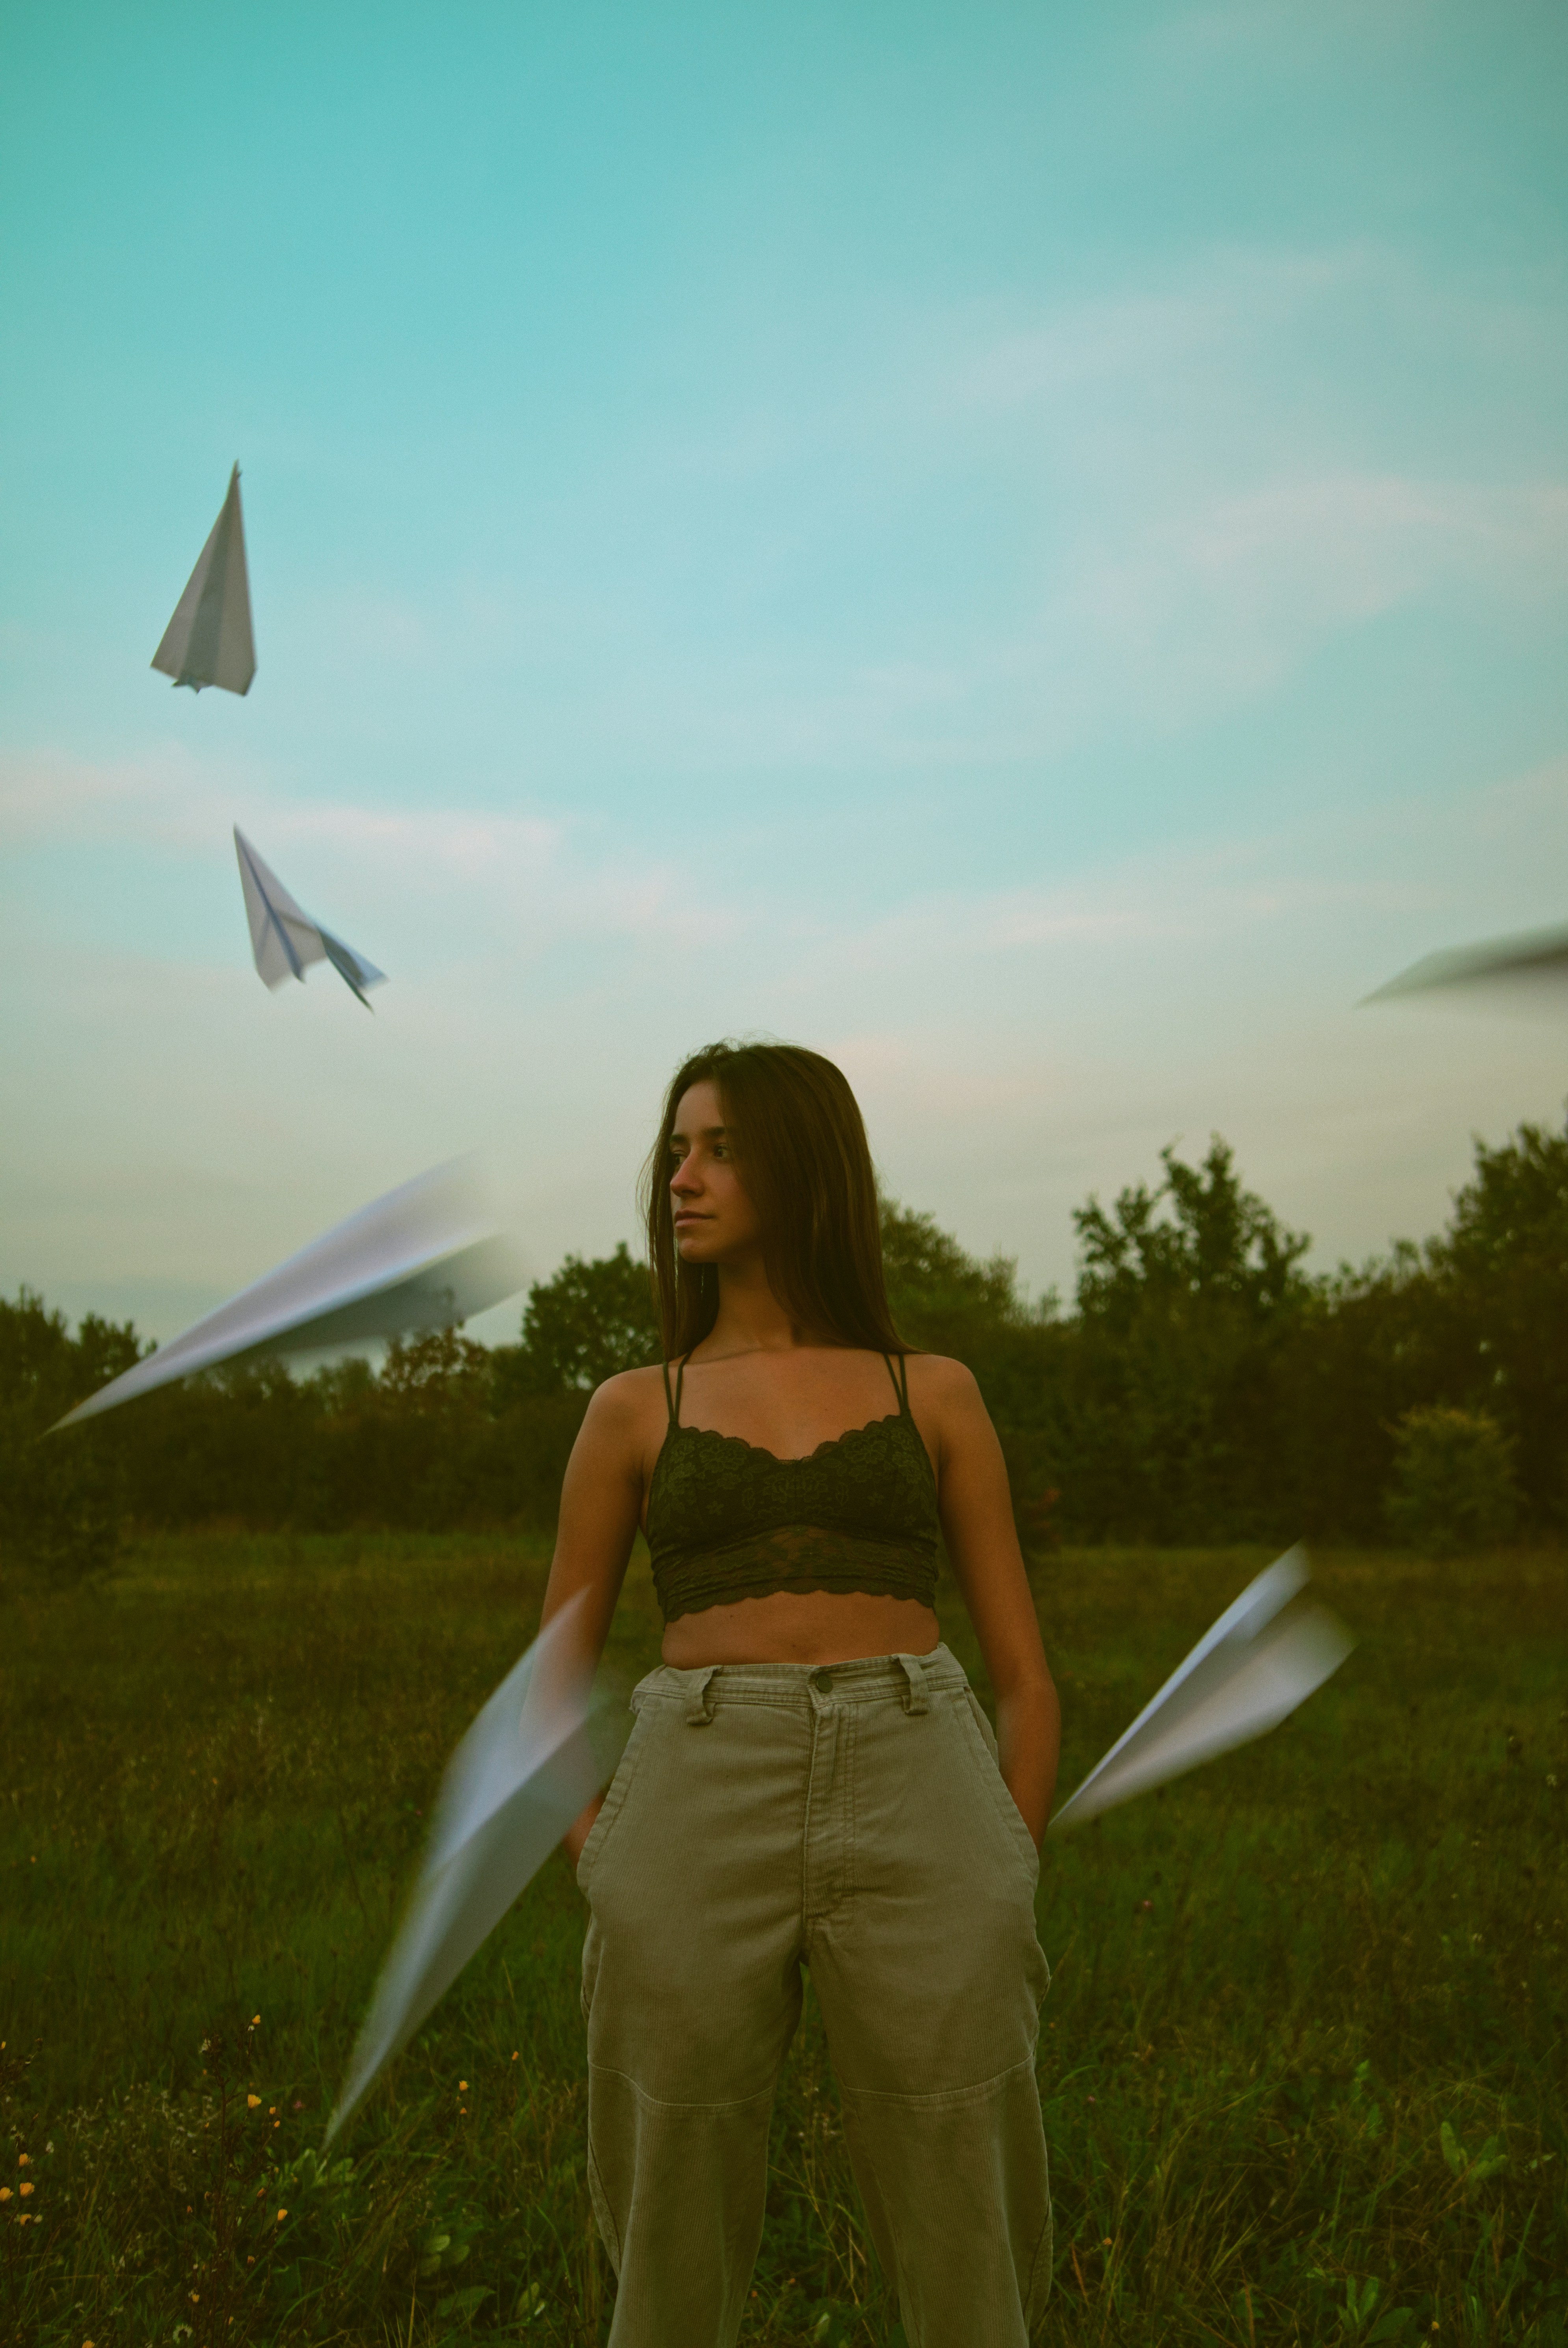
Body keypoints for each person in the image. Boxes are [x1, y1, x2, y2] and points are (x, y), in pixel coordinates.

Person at [537, 1039, 1059, 2348]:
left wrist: (1008, 1852)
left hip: (919, 1773)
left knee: (961, 2181)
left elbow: (1025, 1673)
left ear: (805, 1165)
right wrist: (598, 1852)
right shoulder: (629, 1408)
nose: (682, 1179)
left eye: (717, 1149)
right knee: (669, 2194)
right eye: (674, 1150)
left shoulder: (931, 1390)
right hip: (695, 1789)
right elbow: (553, 1676)